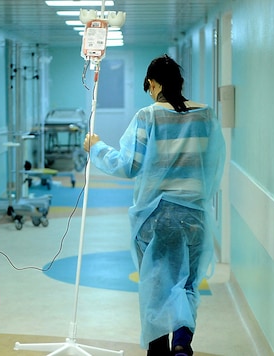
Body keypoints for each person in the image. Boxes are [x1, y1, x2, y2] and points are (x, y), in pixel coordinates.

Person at [83, 54, 225, 356]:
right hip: (195, 216)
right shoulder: (206, 115)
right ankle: (183, 343)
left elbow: (128, 166)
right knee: (187, 283)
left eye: (148, 86)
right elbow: (214, 164)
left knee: (155, 288)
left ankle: (158, 350)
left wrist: (96, 147)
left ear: (153, 83)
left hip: (156, 217)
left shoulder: (149, 116)